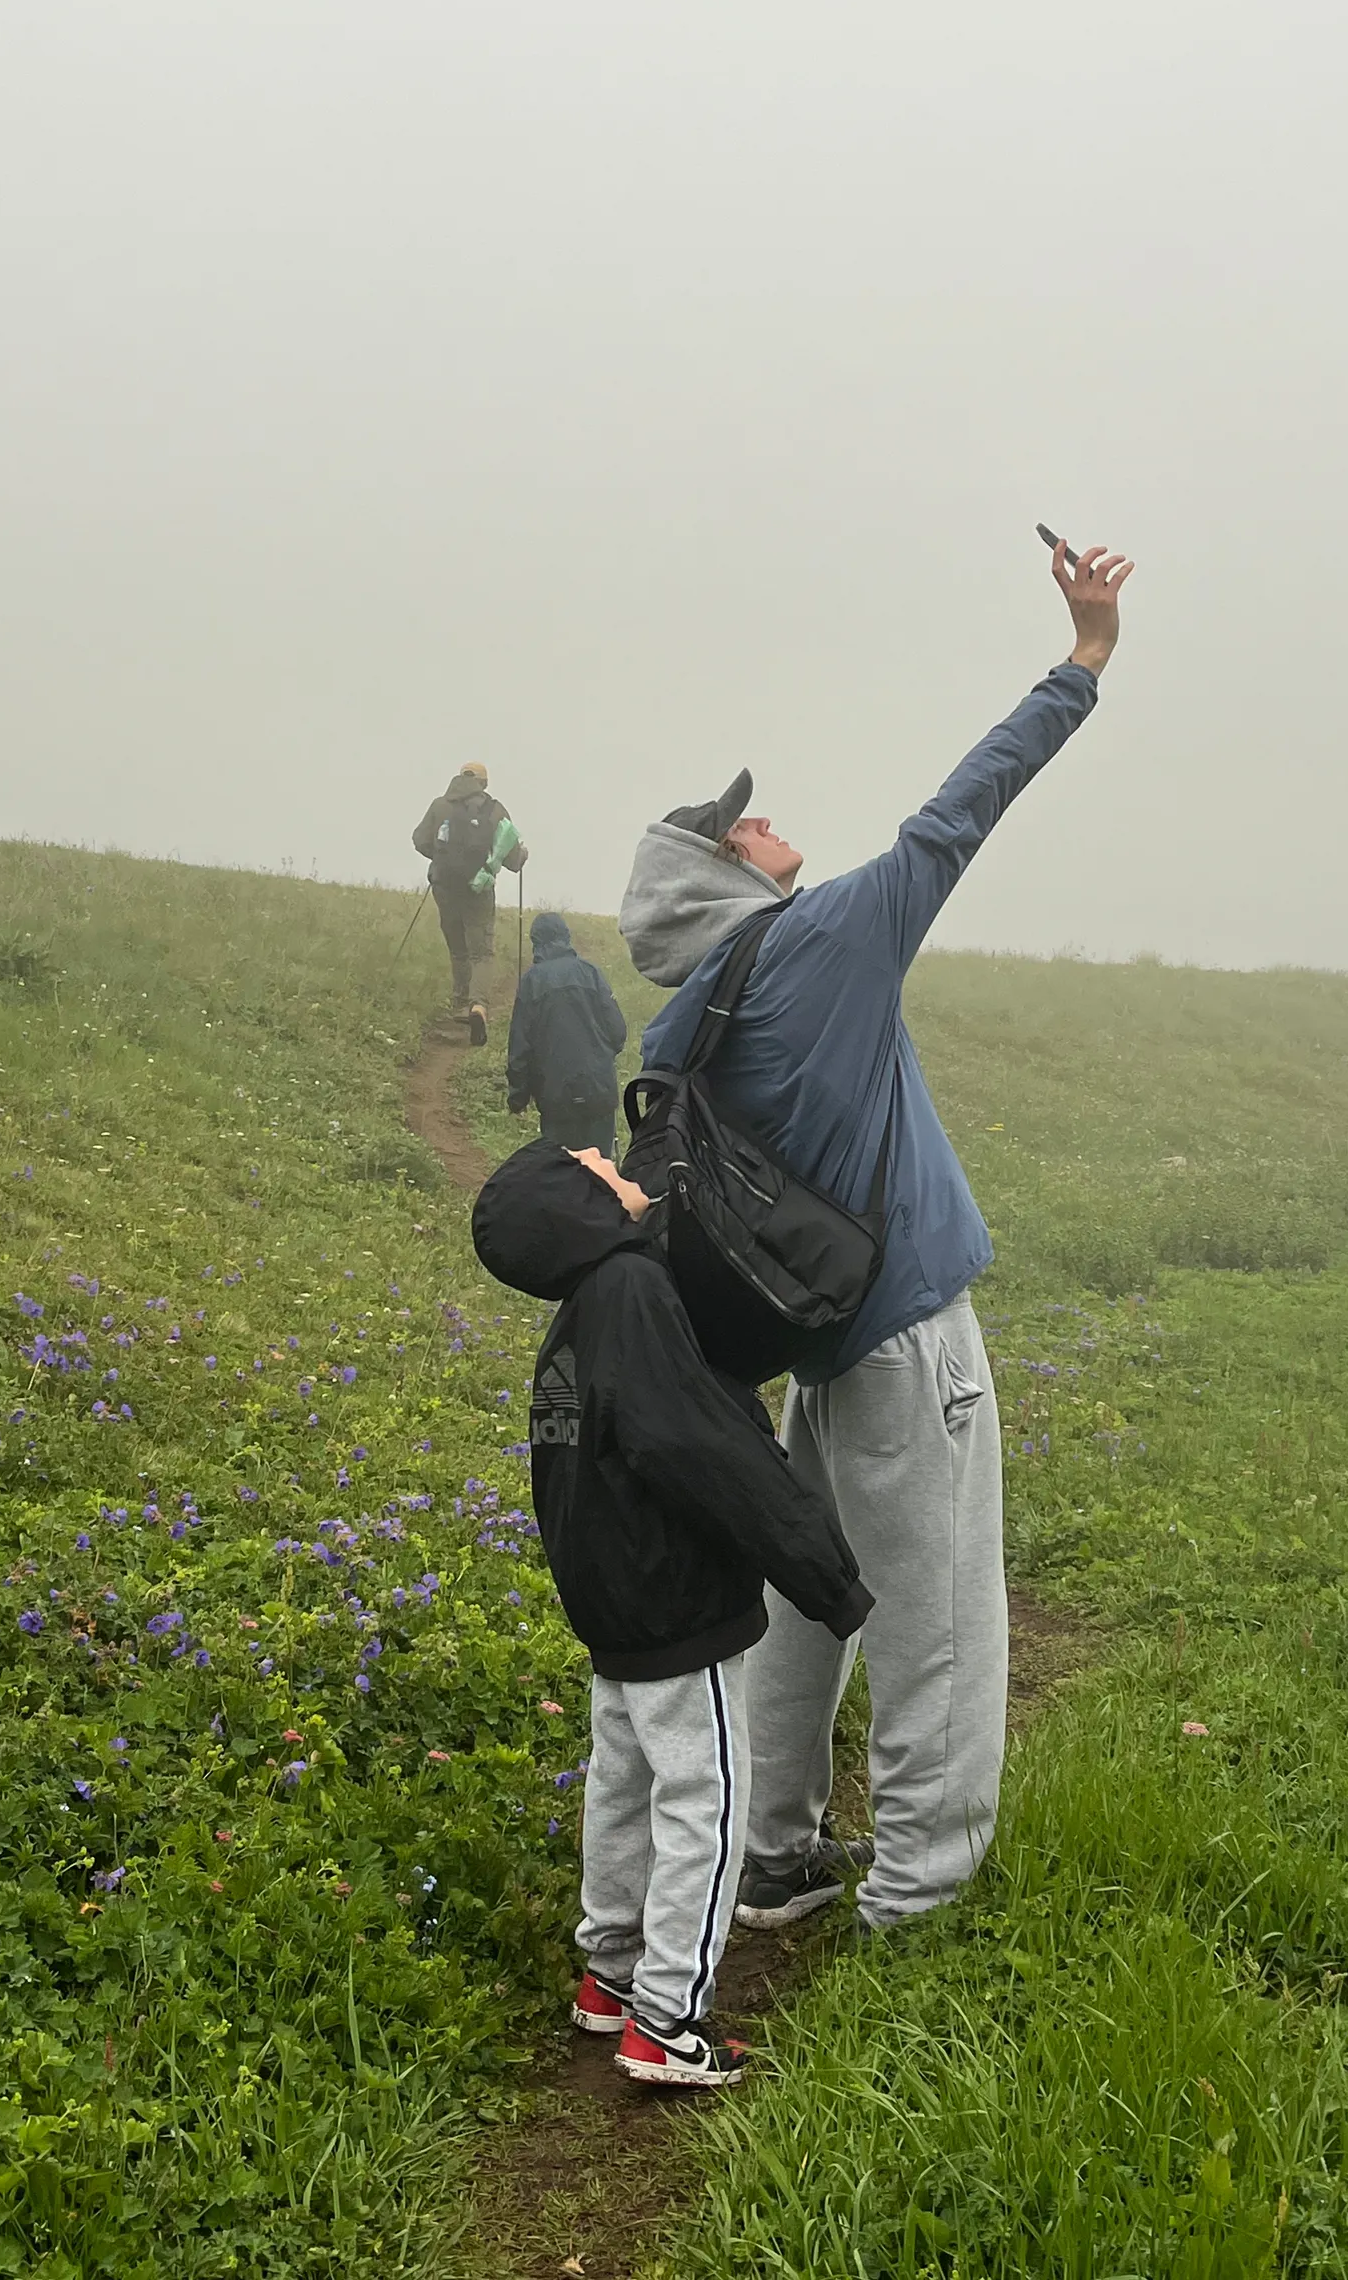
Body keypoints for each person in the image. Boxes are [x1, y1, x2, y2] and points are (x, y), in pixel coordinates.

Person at [616, 536, 1132, 1938]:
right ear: (721, 876)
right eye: (745, 824)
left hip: (815, 1350)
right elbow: (955, 819)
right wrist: (1080, 661)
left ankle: (771, 1856)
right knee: (942, 1615)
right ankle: (925, 1897)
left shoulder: (681, 1026)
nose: (770, 821)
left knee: (810, 1603)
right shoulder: (827, 939)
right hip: (904, 1334)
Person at [471, 1137, 873, 2088]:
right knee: (708, 1800)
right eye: (592, 1162)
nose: (611, 1154)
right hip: (676, 1605)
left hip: (612, 1610)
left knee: (621, 1788)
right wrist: (823, 1573)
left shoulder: (578, 1318)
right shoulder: (634, 1300)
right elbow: (705, 1449)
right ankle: (667, 2021)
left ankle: (608, 1976)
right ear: (579, 1205)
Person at [410, 762, 528, 1019]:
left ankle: (459, 1001)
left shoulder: (440, 805)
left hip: (444, 885)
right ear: (483, 783)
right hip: (479, 888)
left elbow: (419, 840)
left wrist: (441, 858)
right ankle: (478, 1006)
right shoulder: (496, 810)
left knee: (457, 947)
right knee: (481, 951)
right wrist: (522, 855)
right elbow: (513, 859)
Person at [507, 914, 629, 1154]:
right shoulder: (591, 973)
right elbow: (618, 1033)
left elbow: (520, 1048)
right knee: (601, 1173)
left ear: (536, 943)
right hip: (599, 1093)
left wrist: (518, 1098)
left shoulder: (531, 982)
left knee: (562, 1173)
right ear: (566, 937)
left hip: (555, 1099)